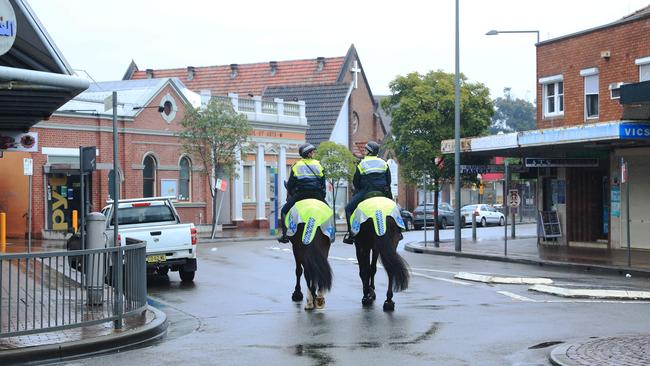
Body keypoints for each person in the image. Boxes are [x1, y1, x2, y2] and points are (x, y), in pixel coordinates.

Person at [343, 141, 393, 244]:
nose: (364, 152)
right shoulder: (384, 163)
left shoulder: (362, 164)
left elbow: (356, 183)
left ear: (369, 152)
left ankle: (351, 234)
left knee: (348, 209)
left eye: (366, 150)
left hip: (366, 192)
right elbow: (389, 181)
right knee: (394, 208)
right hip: (382, 192)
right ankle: (399, 231)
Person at [277, 143, 326, 243]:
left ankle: (285, 235)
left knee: (284, 211)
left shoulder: (296, 165)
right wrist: (322, 195)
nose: (314, 153)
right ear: (308, 154)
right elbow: (323, 184)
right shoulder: (319, 164)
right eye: (312, 152)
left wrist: (292, 192)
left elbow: (290, 184)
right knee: (329, 211)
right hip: (316, 195)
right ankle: (330, 233)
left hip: (301, 195)